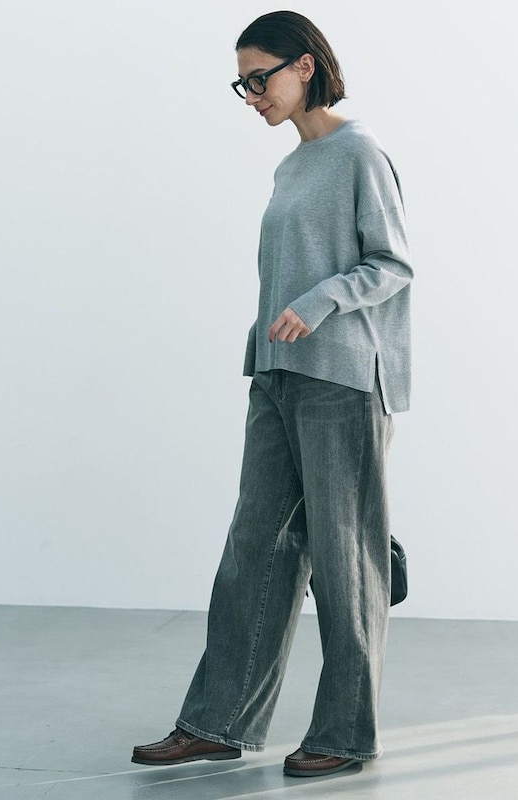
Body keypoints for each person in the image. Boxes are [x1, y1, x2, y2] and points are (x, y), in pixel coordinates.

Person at [131, 9, 413, 778]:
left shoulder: (360, 153)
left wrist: (317, 304)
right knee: (255, 549)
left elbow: (392, 265)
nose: (252, 96)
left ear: (305, 66)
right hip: (277, 376)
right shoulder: (292, 167)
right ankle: (217, 722)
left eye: (260, 79)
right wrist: (262, 347)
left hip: (343, 378)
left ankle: (344, 734)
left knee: (345, 558)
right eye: (243, 85)